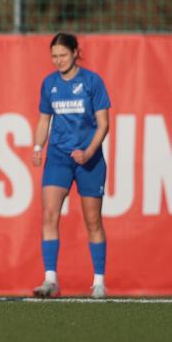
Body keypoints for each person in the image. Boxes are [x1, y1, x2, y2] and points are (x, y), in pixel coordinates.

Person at [31, 33, 111, 299]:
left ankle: (98, 282)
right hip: (59, 157)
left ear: (76, 52)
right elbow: (44, 120)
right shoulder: (49, 84)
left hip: (89, 159)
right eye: (54, 56)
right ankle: (50, 280)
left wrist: (88, 152)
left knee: (93, 220)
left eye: (63, 55)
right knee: (49, 214)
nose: (58, 60)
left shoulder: (92, 82)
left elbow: (103, 124)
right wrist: (38, 147)